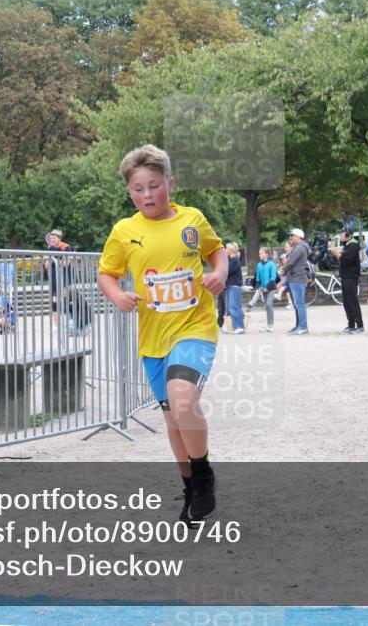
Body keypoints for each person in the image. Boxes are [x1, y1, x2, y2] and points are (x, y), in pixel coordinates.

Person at [97, 144, 227, 524]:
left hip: (195, 326)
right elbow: (106, 274)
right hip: (153, 337)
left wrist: (218, 272)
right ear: (129, 192)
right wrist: (119, 294)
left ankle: (203, 476)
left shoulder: (192, 220)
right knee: (173, 420)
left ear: (170, 183)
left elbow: (217, 252)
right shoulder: (124, 231)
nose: (147, 195)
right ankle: (190, 487)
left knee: (182, 399)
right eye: (138, 189)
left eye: (154, 185)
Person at [331, 228, 364, 334]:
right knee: (346, 302)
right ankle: (351, 325)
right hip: (345, 276)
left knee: (353, 301)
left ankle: (360, 326)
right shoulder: (347, 245)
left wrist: (337, 254)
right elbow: (343, 259)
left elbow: (347, 260)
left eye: (341, 234)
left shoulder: (353, 245)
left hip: (351, 277)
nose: (340, 236)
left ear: (347, 235)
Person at [284, 228, 311, 334]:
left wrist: (283, 269)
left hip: (298, 278)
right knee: (297, 304)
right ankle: (298, 325)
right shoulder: (297, 247)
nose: (290, 238)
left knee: (299, 304)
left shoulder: (300, 247)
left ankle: (303, 327)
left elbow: (291, 262)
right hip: (295, 278)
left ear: (298, 236)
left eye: (292, 236)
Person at [246, 248, 278, 332]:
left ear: (266, 254)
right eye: (259, 253)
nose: (259, 255)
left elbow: (273, 277)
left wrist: (267, 287)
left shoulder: (272, 264)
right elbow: (258, 278)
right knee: (266, 307)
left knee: (268, 305)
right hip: (262, 289)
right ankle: (268, 325)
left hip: (271, 288)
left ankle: (271, 325)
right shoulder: (259, 265)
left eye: (261, 253)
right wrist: (258, 287)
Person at [223, 242, 245, 334]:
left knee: (234, 306)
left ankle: (239, 326)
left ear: (231, 250)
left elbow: (226, 271)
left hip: (234, 286)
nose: (225, 250)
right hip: (229, 285)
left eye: (226, 249)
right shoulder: (230, 260)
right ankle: (229, 326)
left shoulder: (235, 260)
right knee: (228, 307)